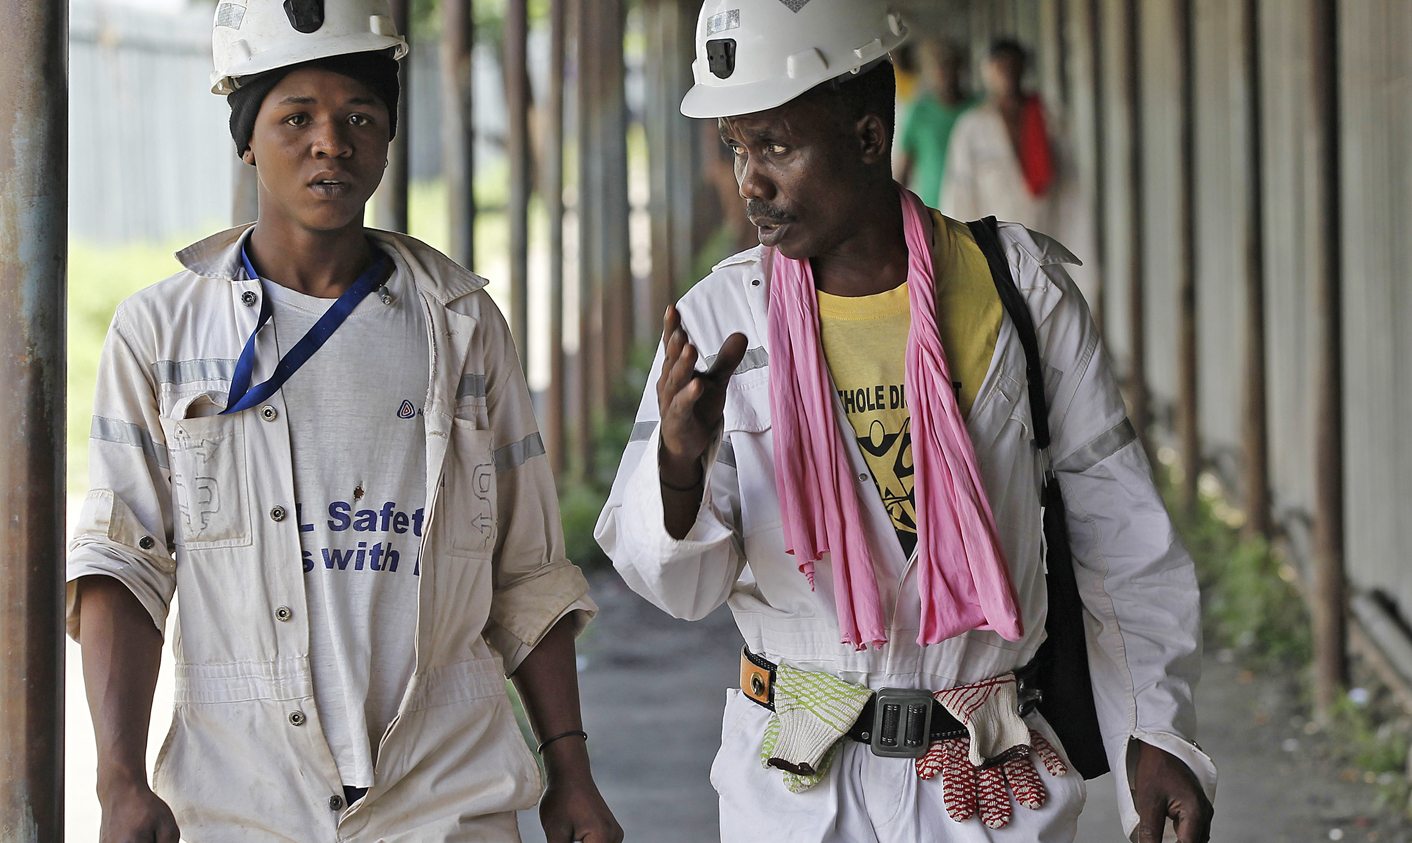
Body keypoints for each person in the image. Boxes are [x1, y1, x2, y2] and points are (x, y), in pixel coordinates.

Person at [596, 1, 1215, 841]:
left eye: (775, 145)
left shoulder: (1019, 294)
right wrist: (677, 462)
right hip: (793, 790)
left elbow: (1118, 536)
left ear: (866, 135)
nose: (749, 180)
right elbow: (679, 586)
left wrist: (1155, 729)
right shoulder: (720, 323)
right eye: (736, 148)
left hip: (987, 780)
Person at [67, 3, 622, 841]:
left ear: (390, 137)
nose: (332, 141)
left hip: (449, 796)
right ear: (246, 138)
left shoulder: (462, 326)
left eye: (360, 116)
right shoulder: (163, 334)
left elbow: (529, 571)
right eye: (295, 117)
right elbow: (122, 567)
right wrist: (118, 781)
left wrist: (570, 773)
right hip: (241, 798)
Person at [896, 38, 976, 208]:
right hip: (936, 212)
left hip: (976, 208)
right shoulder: (919, 113)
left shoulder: (977, 109)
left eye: (949, 65)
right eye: (937, 67)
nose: (944, 73)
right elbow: (903, 170)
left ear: (960, 67)